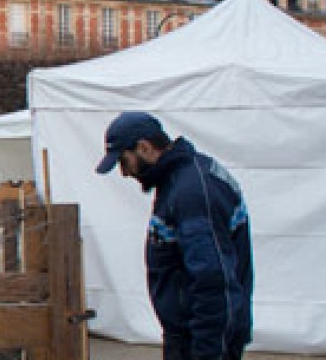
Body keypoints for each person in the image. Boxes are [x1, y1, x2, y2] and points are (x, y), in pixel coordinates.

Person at [95, 112, 253, 360]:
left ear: (144, 148)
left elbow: (213, 282)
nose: (125, 173)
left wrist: (206, 351)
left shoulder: (192, 193)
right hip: (191, 333)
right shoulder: (180, 180)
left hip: (203, 339)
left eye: (124, 162)